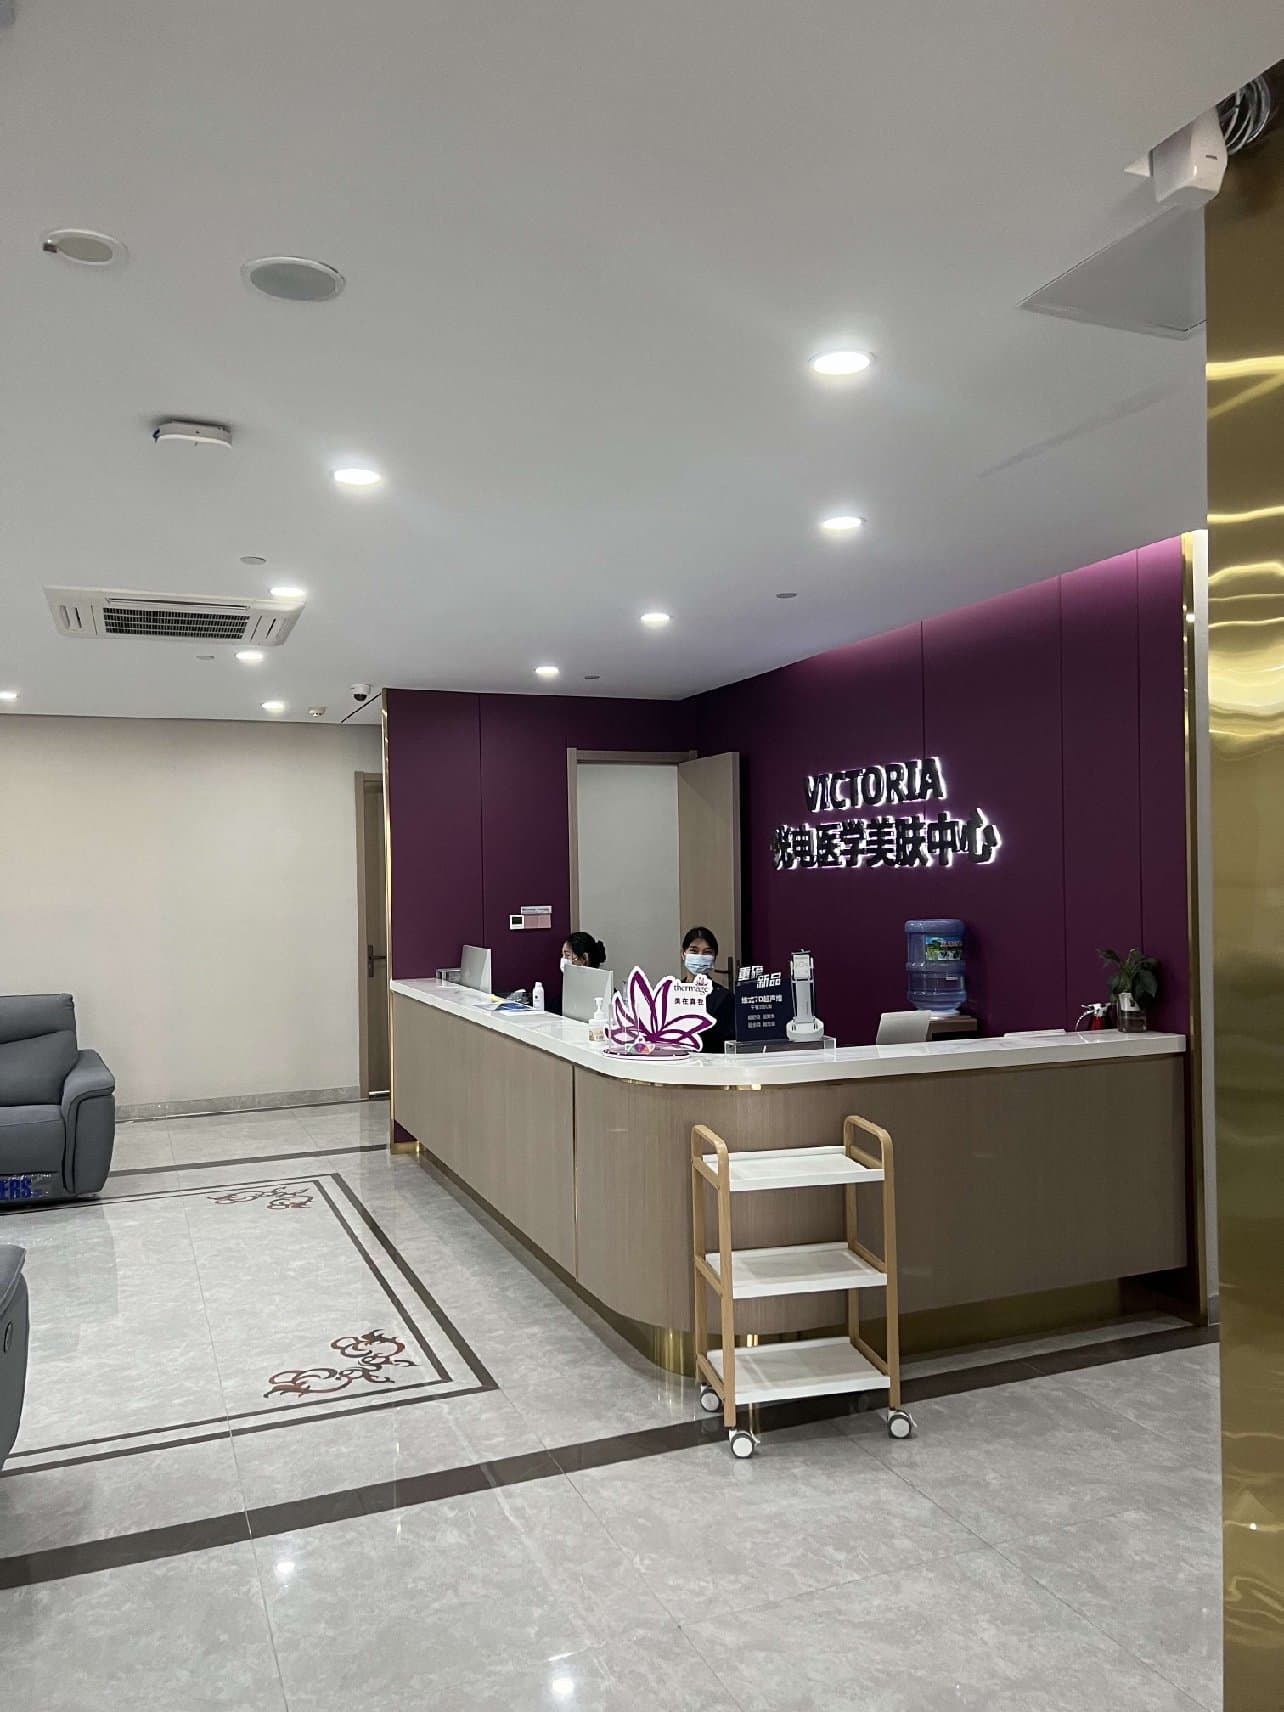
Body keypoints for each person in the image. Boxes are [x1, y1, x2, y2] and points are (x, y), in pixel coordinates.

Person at [681, 925, 733, 1053]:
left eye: (707, 952)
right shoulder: (671, 992)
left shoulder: (723, 997)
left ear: (714, 957)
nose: (700, 956)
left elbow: (726, 1043)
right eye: (694, 951)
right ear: (683, 954)